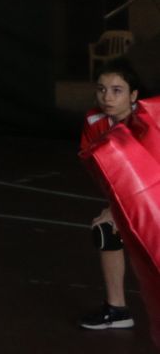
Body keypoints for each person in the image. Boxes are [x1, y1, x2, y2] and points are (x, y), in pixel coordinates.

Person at [79, 60, 142, 331]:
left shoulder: (149, 123)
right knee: (106, 230)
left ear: (134, 95)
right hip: (135, 196)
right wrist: (114, 207)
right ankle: (117, 310)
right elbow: (105, 173)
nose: (107, 97)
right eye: (102, 89)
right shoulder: (95, 122)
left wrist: (120, 210)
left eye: (117, 90)